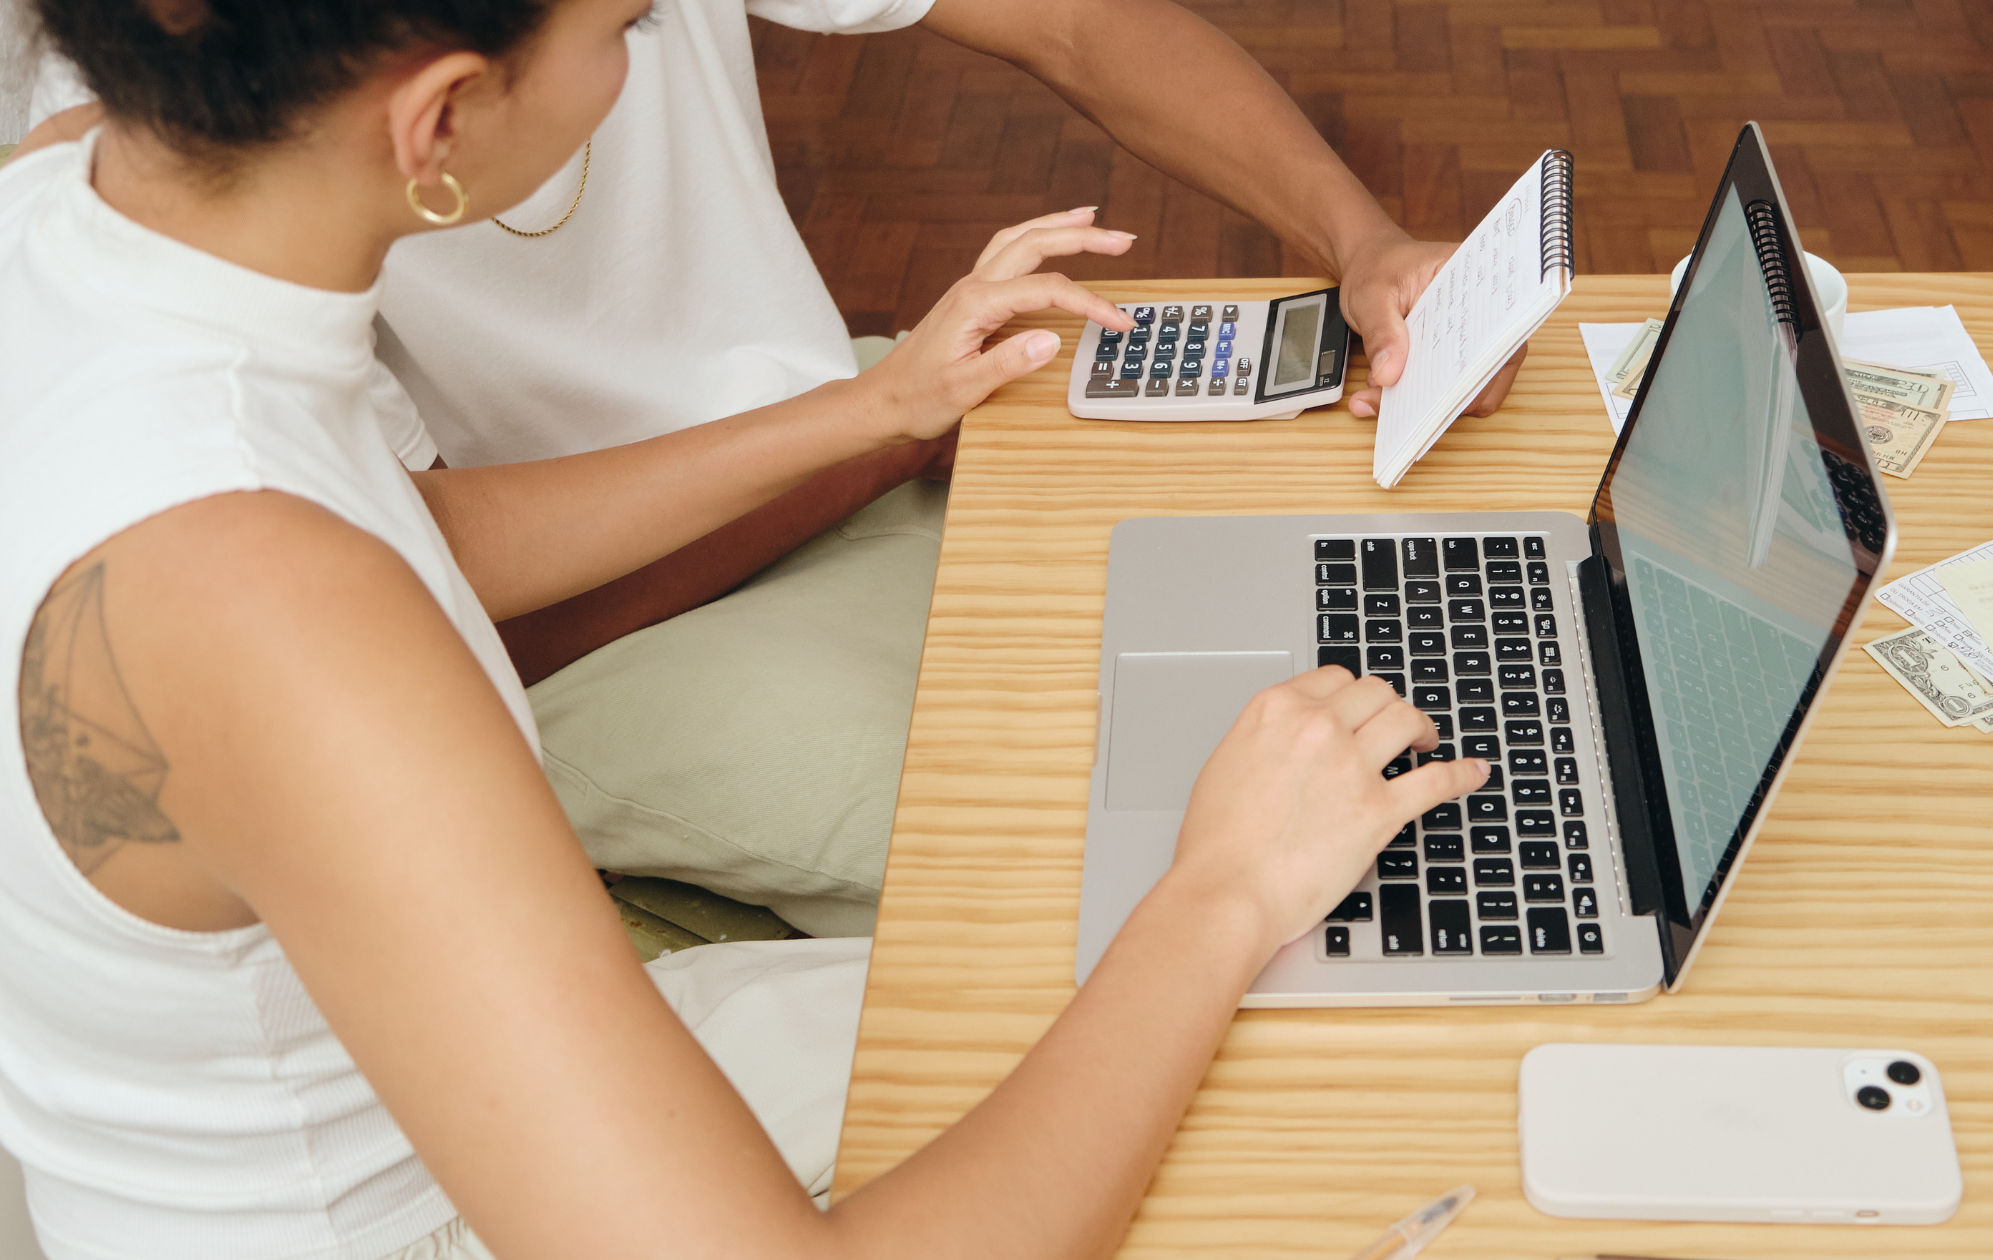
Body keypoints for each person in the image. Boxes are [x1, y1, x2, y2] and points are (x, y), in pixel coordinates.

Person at [0, 2, 1487, 1257]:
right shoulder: (272, 619)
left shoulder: (71, 192)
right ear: (442, 123)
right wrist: (1220, 894)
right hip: (422, 1217)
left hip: (442, 1105)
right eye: (624, 27)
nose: (641, 52)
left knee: (1200, 988)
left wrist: (870, 406)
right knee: (1285, 1050)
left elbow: (412, 534)